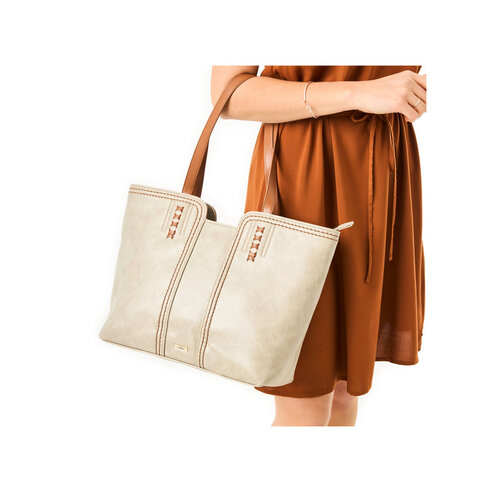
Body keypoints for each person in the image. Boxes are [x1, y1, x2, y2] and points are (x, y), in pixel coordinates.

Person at [211, 66, 427, 426]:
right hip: (302, 174)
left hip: (381, 170)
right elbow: (228, 95)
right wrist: (357, 93)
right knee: (304, 399)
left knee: (344, 392)